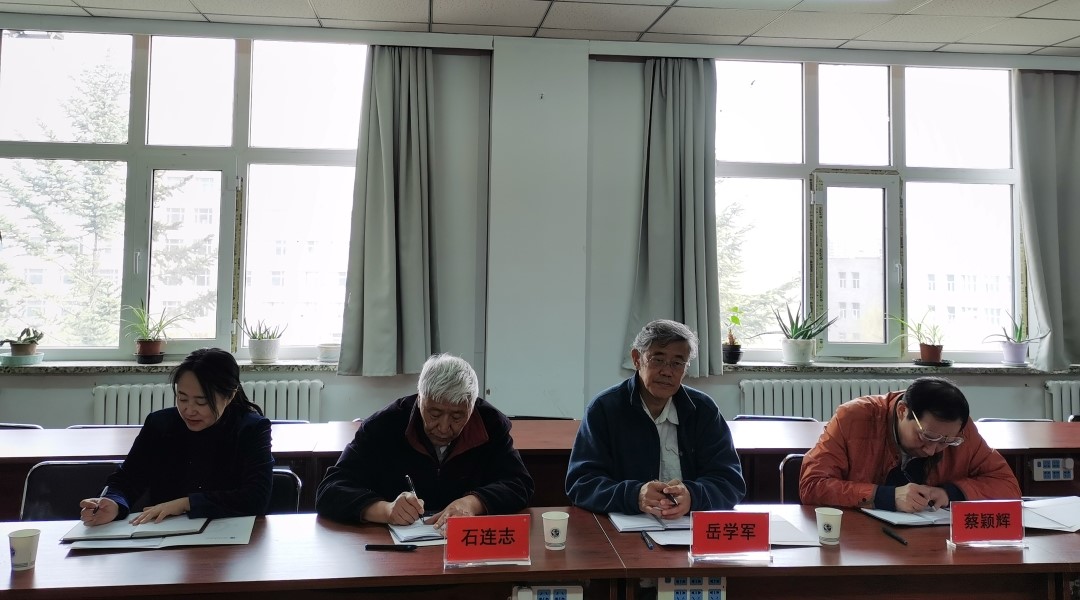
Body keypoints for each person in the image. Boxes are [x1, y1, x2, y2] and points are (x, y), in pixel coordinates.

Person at [315, 353, 534, 527]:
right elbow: (330, 490)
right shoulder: (384, 426)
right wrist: (385, 510)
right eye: (434, 414)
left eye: (457, 416)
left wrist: (472, 503)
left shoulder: (489, 424)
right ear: (420, 399)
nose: (444, 427)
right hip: (397, 552)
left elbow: (519, 484)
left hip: (466, 547)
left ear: (472, 406)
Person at [565, 319, 746, 518]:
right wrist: (635, 495)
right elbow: (581, 484)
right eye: (657, 360)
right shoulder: (604, 409)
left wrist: (693, 496)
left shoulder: (703, 410)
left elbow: (730, 483)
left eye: (677, 363)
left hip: (687, 525)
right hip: (626, 526)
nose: (667, 371)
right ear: (636, 359)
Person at [79, 348, 274, 525]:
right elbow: (127, 479)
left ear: (229, 396)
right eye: (182, 398)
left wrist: (186, 504)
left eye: (201, 402)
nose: (189, 410)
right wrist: (114, 503)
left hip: (229, 535)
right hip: (165, 536)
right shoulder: (160, 424)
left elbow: (256, 498)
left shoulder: (251, 428)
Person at [800, 376, 1021, 512]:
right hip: (862, 541)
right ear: (902, 411)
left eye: (946, 442)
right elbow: (812, 485)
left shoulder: (960, 431)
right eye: (927, 437)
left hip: (933, 542)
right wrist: (885, 497)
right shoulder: (853, 418)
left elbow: (1007, 485)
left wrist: (950, 493)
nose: (932, 450)